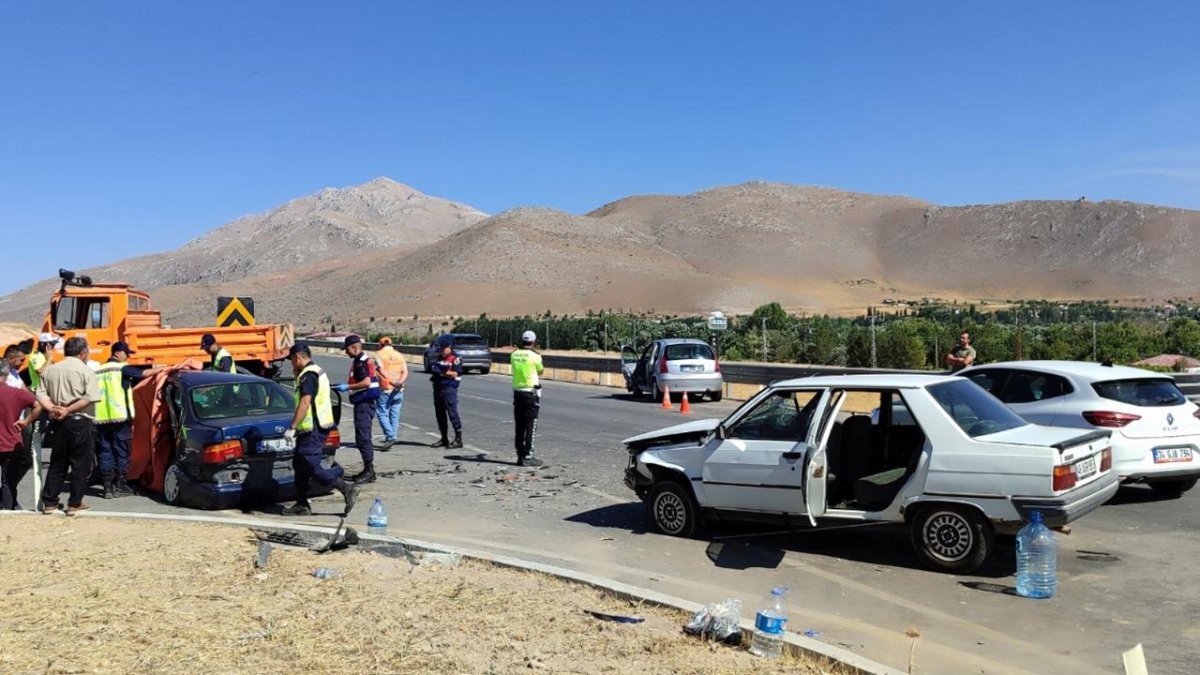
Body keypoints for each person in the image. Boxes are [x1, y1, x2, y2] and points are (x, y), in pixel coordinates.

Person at [282, 342, 358, 516]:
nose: (291, 364)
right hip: (314, 426)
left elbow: (305, 401)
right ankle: (302, 504)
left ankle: (346, 488)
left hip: (313, 427)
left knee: (309, 463)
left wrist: (292, 426)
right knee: (300, 464)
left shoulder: (308, 376)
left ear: (298, 357)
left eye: (292, 360)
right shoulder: (315, 371)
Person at [36, 336, 101, 514]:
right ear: (83, 352)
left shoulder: (51, 370)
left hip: (57, 421)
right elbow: (90, 397)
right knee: (80, 463)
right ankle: (75, 503)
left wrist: (54, 409)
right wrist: (68, 409)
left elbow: (40, 394)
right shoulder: (85, 371)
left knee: (58, 461)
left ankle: (50, 502)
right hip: (79, 420)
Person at [93, 341, 146, 499]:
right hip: (121, 418)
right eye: (126, 354)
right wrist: (167, 369)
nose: (127, 357)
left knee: (105, 452)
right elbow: (144, 374)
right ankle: (121, 485)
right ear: (117, 353)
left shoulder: (97, 370)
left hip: (101, 419)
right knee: (122, 453)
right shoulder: (122, 368)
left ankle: (107, 488)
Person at [1, 359, 43, 509]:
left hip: (8, 442)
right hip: (11, 442)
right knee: (8, 482)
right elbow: (37, 405)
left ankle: (10, 505)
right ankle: (7, 510)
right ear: (6, 373)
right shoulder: (16, 393)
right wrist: (26, 421)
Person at [340, 335, 380, 483]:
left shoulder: (361, 362)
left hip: (364, 403)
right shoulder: (359, 361)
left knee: (363, 437)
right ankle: (367, 469)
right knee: (361, 437)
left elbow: (366, 382)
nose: (346, 352)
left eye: (347, 349)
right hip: (362, 403)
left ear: (354, 347)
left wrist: (348, 387)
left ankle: (369, 471)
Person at [510, 330, 545, 467]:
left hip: (517, 392)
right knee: (530, 425)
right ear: (533, 341)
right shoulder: (535, 356)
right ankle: (528, 455)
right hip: (530, 393)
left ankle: (520, 455)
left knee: (519, 425)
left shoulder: (514, 354)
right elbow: (540, 370)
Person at [374, 336, 408, 448]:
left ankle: (390, 436)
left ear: (380, 344)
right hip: (399, 388)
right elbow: (405, 371)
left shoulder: (379, 354)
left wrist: (392, 382)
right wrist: (399, 382)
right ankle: (392, 437)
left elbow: (381, 370)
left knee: (382, 412)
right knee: (395, 414)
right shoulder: (399, 355)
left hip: (386, 388)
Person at [429, 342, 464, 449]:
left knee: (453, 414)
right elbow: (434, 369)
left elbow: (456, 374)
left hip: (449, 389)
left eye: (442, 349)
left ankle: (458, 439)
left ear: (449, 348)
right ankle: (444, 438)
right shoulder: (439, 358)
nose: (441, 352)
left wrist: (444, 373)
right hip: (438, 388)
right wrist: (444, 373)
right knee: (440, 415)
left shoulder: (455, 358)